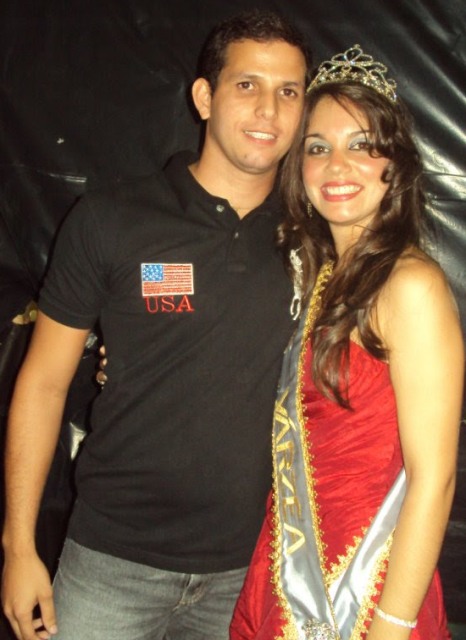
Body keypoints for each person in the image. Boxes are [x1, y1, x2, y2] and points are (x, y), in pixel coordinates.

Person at [1, 10, 312, 640]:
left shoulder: (313, 240)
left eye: (289, 91)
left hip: (249, 570)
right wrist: (18, 546)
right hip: (110, 563)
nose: (268, 110)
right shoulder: (112, 220)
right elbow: (43, 384)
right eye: (246, 85)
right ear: (204, 97)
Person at [230, 45, 464, 639]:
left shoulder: (410, 285)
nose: (337, 166)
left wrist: (391, 625)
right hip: (286, 571)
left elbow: (434, 479)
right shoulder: (319, 276)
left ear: (396, 164)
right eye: (318, 148)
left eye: (362, 144)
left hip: (370, 588)